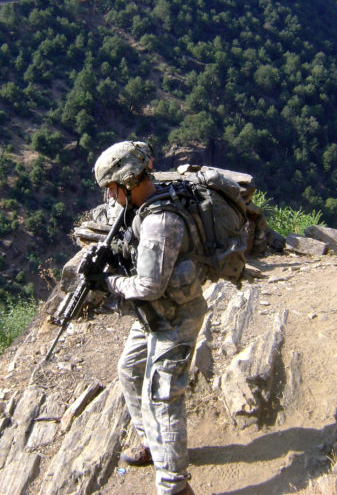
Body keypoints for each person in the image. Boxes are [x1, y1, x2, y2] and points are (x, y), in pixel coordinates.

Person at [88, 140, 207, 495]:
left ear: (126, 181)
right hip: (155, 314)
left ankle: (174, 486)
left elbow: (149, 285)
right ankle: (154, 446)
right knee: (129, 368)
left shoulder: (160, 221)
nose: (109, 195)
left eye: (111, 187)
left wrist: (107, 282)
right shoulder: (139, 206)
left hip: (177, 316)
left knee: (164, 397)